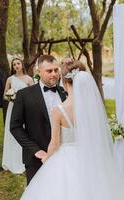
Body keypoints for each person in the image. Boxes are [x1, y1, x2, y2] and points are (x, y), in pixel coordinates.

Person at [20, 60, 124, 200]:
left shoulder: (59, 110)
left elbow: (55, 143)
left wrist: (46, 158)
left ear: (65, 80)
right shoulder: (92, 107)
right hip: (90, 157)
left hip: (65, 160)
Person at [10, 55, 67, 184]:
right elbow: (15, 127)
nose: (54, 74)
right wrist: (36, 150)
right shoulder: (24, 95)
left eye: (56, 70)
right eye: (49, 71)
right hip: (36, 159)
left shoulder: (64, 92)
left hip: (63, 156)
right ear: (38, 71)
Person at [2, 58, 34, 174]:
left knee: (25, 132)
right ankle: (13, 160)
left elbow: (33, 95)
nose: (16, 66)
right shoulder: (10, 79)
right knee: (14, 131)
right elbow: (5, 95)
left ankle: (25, 160)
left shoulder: (29, 79)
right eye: (14, 64)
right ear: (12, 67)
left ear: (22, 65)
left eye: (18, 63)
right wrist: (11, 97)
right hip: (13, 108)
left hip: (26, 109)